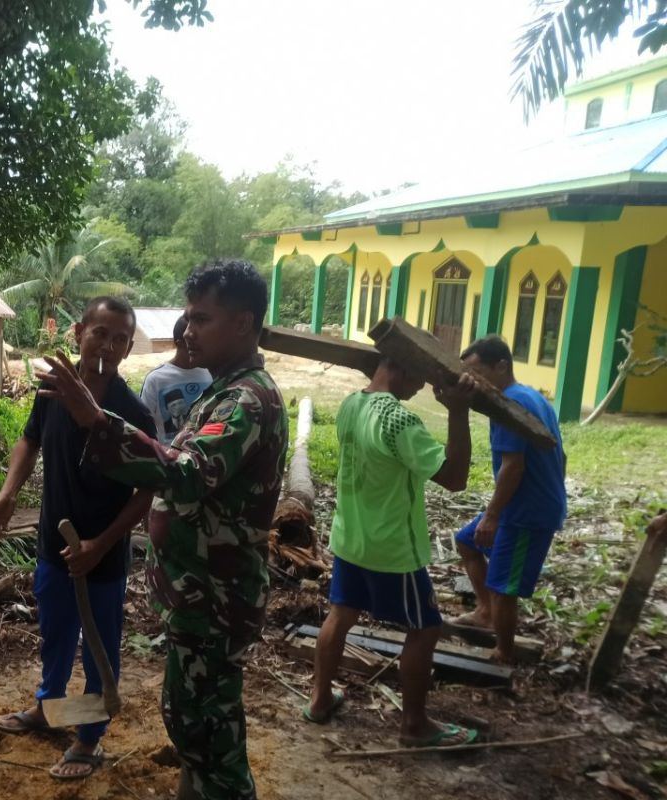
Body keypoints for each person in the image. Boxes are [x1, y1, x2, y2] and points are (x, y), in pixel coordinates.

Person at [38, 260, 288, 800]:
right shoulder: (223, 391)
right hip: (198, 597)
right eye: (188, 317)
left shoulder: (245, 400)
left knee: (211, 738)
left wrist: (99, 424)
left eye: (202, 318)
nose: (188, 330)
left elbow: (186, 472)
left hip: (215, 600)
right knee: (194, 726)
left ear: (242, 324)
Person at [0, 297, 155, 781]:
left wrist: (101, 544)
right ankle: (49, 708)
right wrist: (7, 493)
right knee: (56, 634)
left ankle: (89, 737)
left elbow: (147, 489)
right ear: (78, 331)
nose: (109, 344)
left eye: (120, 337)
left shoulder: (132, 412)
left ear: (127, 348)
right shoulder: (52, 391)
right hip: (52, 545)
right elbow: (29, 439)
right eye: (100, 332)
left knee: (101, 646)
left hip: (102, 555)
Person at [304, 355, 478, 749]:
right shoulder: (398, 420)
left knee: (341, 613)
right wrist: (458, 412)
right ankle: (414, 725)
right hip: (392, 550)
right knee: (425, 628)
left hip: (351, 538)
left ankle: (319, 700)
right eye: (420, 377)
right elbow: (454, 478)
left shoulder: (352, 403)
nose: (421, 389)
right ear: (401, 366)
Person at [454, 335, 567, 662]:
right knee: (467, 542)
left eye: (476, 372)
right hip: (524, 502)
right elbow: (562, 455)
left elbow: (512, 468)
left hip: (526, 512)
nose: (470, 380)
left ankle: (504, 652)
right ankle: (485, 612)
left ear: (501, 366)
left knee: (505, 585)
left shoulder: (508, 405)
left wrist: (492, 515)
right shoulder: (531, 395)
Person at [140, 315, 213, 444]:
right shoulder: (156, 379)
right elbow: (142, 426)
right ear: (179, 343)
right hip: (170, 460)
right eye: (193, 342)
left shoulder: (210, 373)